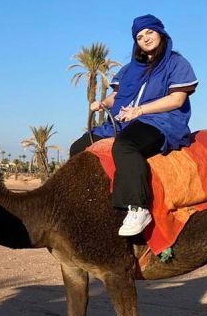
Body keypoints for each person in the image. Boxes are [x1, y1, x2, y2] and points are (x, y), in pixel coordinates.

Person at [68, 14, 198, 237]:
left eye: (149, 32)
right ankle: (83, 201)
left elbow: (177, 100)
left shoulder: (177, 63)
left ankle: (138, 208)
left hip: (160, 121)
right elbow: (116, 97)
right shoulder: (130, 69)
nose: (145, 38)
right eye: (139, 36)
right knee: (78, 147)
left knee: (125, 146)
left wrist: (140, 110)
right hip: (122, 120)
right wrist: (102, 103)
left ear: (160, 33)